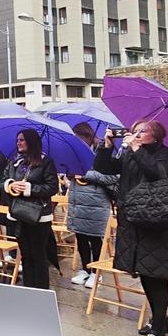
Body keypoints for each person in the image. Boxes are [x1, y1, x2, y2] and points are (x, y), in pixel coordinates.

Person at [93, 120, 168, 336]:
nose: (136, 134)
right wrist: (106, 146)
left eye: (142, 131)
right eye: (135, 131)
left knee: (157, 275)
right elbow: (105, 169)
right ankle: (159, 318)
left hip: (157, 222)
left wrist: (135, 149)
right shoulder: (131, 153)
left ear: (156, 135)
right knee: (144, 271)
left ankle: (159, 328)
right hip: (133, 220)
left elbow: (157, 174)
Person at [2, 129, 60, 290]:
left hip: (38, 217)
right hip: (19, 214)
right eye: (17, 140)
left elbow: (52, 187)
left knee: (38, 255)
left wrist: (28, 188)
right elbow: (3, 181)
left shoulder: (46, 162)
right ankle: (28, 290)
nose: (18, 143)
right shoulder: (15, 161)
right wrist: (11, 185)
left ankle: (41, 292)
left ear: (31, 141)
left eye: (22, 140)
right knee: (26, 255)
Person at [66, 123, 118, 288]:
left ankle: (96, 273)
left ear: (88, 137)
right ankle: (85, 269)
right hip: (78, 201)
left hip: (96, 202)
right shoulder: (74, 154)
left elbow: (113, 177)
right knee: (80, 237)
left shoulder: (104, 152)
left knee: (95, 238)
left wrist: (87, 175)